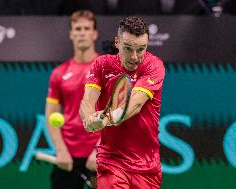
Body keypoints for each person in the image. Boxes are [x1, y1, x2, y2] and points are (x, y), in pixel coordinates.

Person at [79, 16, 165, 189]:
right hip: (112, 161)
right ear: (117, 42)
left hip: (146, 166)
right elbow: (87, 100)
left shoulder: (153, 65)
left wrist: (106, 119)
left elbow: (134, 104)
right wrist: (89, 120)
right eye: (128, 48)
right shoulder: (101, 65)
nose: (135, 57)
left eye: (141, 49)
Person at [45, 10, 100, 189]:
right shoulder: (59, 73)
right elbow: (51, 115)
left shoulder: (107, 70)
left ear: (94, 33)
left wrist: (100, 150)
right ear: (71, 34)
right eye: (77, 28)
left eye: (86, 28)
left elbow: (118, 114)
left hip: (102, 154)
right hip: (68, 155)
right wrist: (61, 150)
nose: (82, 32)